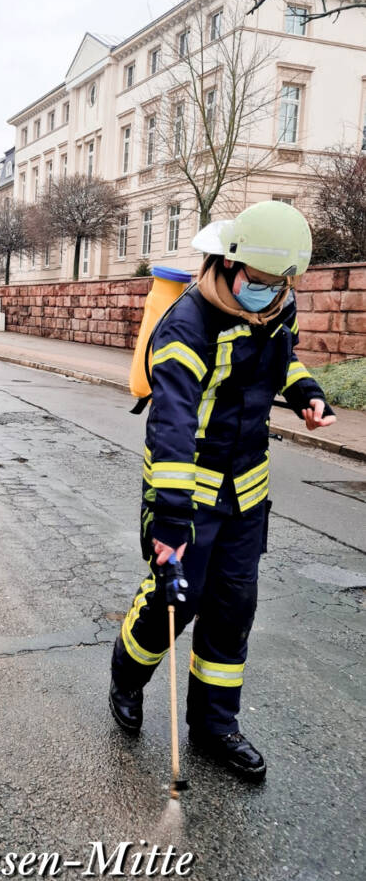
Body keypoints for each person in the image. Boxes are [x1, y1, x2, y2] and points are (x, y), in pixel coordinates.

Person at [109, 201, 336, 782]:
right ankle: (127, 676)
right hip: (187, 494)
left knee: (233, 610)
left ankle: (215, 728)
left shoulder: (275, 309)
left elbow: (281, 362)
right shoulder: (188, 323)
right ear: (229, 265)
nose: (269, 293)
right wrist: (169, 521)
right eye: (258, 284)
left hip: (246, 496)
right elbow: (172, 425)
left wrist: (307, 393)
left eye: (278, 284)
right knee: (174, 602)